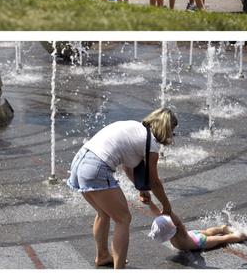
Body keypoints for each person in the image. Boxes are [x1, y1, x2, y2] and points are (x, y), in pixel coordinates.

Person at [67, 108, 178, 269]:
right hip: (96, 167)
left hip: (79, 162)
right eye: (172, 132)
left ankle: (103, 256)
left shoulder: (134, 127)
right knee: (123, 219)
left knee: (103, 213)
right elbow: (155, 182)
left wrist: (141, 189)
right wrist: (166, 206)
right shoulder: (151, 144)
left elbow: (128, 167)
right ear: (167, 128)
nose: (171, 136)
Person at [146, 201, 247, 252]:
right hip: (194, 236)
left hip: (198, 242)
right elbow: (175, 221)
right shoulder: (179, 230)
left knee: (221, 239)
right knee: (210, 233)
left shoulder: (172, 235)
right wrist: (169, 211)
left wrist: (149, 203)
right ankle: (225, 229)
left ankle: (239, 235)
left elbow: (158, 213)